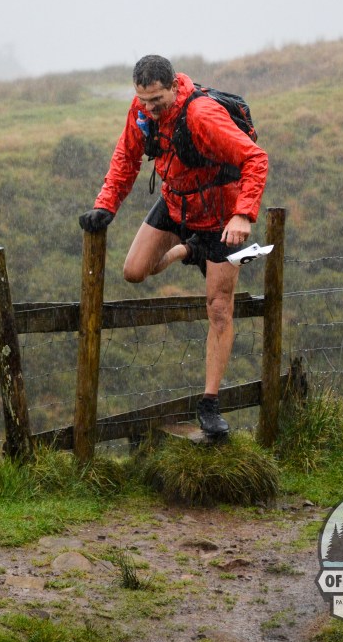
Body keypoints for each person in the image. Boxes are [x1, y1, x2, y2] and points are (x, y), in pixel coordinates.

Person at [79, 54, 269, 438]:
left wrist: (244, 215)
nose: (150, 109)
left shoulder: (200, 115)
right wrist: (105, 206)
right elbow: (126, 159)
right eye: (143, 101)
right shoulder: (142, 110)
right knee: (134, 270)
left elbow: (255, 158)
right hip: (176, 201)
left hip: (219, 211)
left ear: (173, 87)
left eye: (157, 101)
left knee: (218, 309)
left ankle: (210, 405)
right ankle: (189, 248)